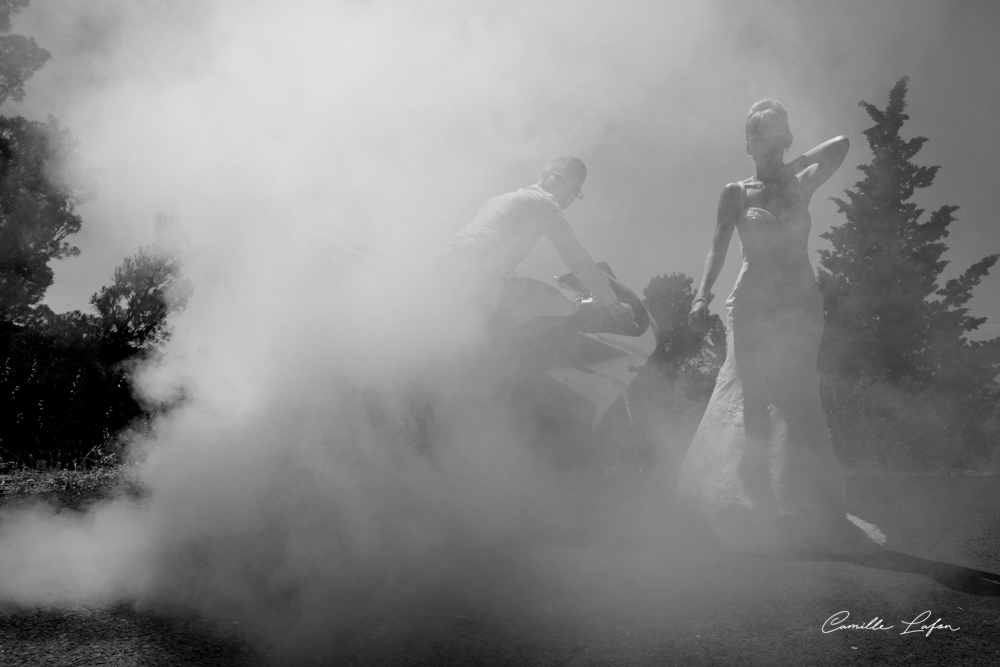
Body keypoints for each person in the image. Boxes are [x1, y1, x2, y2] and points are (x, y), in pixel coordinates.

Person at [678, 100, 885, 558]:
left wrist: (790, 164)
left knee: (797, 395)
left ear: (786, 140)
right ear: (747, 143)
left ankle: (804, 508)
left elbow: (842, 145)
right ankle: (742, 506)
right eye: (758, 134)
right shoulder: (735, 192)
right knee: (747, 397)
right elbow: (717, 248)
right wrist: (700, 296)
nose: (766, 142)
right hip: (751, 305)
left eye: (776, 134)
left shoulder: (801, 182)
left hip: (800, 305)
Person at [443, 157, 633, 329]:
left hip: (447, 271)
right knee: (555, 308)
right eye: (567, 184)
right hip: (475, 276)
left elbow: (492, 250)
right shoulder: (542, 201)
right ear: (545, 176)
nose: (570, 195)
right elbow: (575, 257)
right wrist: (613, 303)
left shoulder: (501, 199)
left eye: (576, 191)